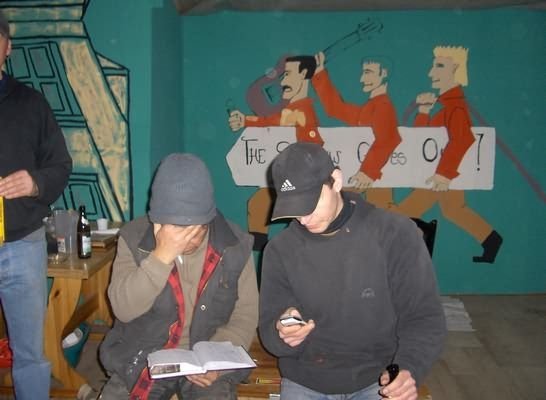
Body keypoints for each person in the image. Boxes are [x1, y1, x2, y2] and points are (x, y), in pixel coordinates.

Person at [258, 142, 446, 399]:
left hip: (377, 377)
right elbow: (270, 331)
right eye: (293, 208)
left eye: (310, 203)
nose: (304, 218)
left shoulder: (395, 234)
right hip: (306, 378)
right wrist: (283, 333)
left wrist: (408, 367)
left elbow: (424, 317)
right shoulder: (280, 250)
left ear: (336, 180)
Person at [99, 153, 259, 400]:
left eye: (192, 233)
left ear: (208, 221)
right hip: (143, 355)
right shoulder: (133, 238)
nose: (183, 242)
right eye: (175, 231)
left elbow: (246, 315)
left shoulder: (235, 245)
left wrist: (218, 361)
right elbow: (123, 309)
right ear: (158, 223)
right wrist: (161, 257)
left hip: (209, 354)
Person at [0, 11, 72, 400]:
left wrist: (35, 183)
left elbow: (61, 165)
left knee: (30, 355)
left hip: (23, 246)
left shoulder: (32, 104)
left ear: (8, 47)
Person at [395, 45, 502, 263]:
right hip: (441, 174)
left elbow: (463, 139)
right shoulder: (447, 107)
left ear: (456, 69)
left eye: (439, 66)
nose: (431, 73)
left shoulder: (456, 108)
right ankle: (491, 240)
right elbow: (425, 141)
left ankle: (413, 254)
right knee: (454, 209)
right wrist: (424, 112)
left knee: (403, 213)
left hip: (441, 177)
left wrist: (444, 174)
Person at [229, 55, 323, 251]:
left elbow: (277, 120)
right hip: (296, 183)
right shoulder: (294, 109)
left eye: (288, 74)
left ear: (304, 75)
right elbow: (272, 120)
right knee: (258, 206)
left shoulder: (301, 111)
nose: (283, 81)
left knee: (260, 207)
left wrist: (246, 120)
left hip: (303, 186)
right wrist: (246, 120)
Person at [312, 51, 401, 209]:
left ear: (384, 73)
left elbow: (389, 139)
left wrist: (368, 172)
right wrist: (320, 74)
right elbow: (335, 109)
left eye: (369, 72)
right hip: (365, 178)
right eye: (363, 73)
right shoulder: (369, 108)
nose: (362, 79)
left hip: (372, 180)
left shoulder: (383, 106)